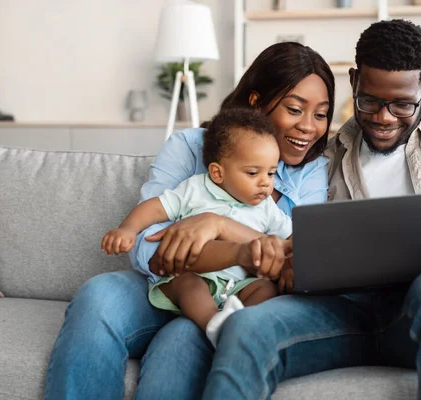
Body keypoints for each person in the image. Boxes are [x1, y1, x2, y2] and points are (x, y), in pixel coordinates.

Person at [201, 20, 421, 400]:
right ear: (353, 81)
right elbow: (268, 229)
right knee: (246, 327)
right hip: (343, 315)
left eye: (402, 104)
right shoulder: (321, 158)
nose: (384, 117)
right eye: (369, 101)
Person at [43, 41, 334, 400]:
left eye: (321, 114)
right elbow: (151, 244)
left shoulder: (313, 173)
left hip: (237, 299)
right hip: (172, 282)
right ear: (258, 102)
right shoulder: (191, 146)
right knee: (98, 296)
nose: (308, 127)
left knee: (182, 337)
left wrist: (218, 225)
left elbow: (299, 260)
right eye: (294, 109)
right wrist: (248, 250)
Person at [100, 108, 293, 347]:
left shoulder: (266, 207)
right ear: (217, 173)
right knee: (188, 284)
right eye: (253, 173)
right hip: (197, 276)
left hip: (239, 286)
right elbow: (156, 208)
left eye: (271, 173)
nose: (265, 182)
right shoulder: (196, 190)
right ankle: (214, 325)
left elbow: (292, 236)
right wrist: (127, 229)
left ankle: (240, 325)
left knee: (264, 289)